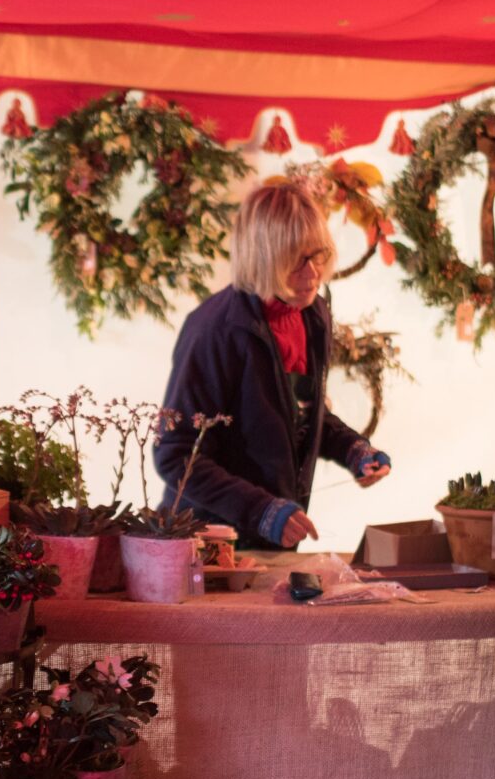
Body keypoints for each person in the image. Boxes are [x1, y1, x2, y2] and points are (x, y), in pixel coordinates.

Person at [154, 179, 390, 546]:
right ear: (262, 258)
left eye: (317, 255)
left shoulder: (312, 316)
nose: (312, 274)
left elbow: (299, 415)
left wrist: (353, 449)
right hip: (206, 544)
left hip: (270, 542)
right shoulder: (215, 330)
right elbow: (176, 455)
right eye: (295, 261)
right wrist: (260, 511)